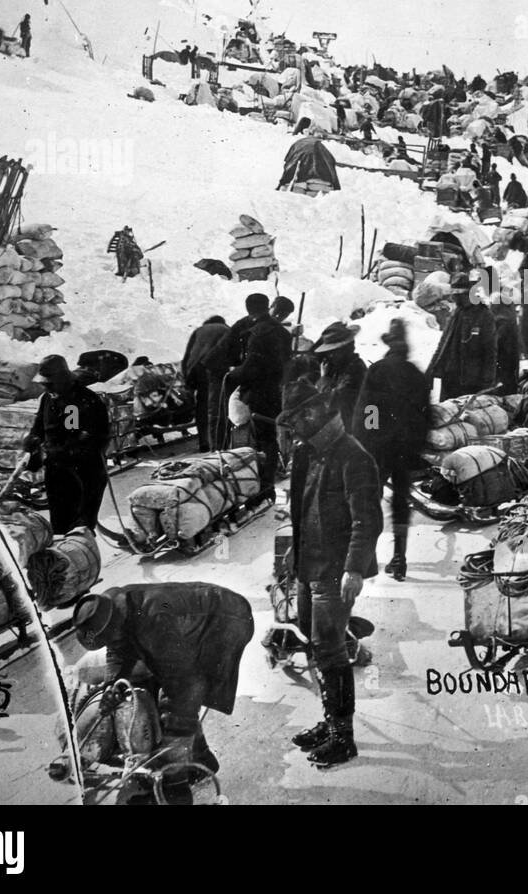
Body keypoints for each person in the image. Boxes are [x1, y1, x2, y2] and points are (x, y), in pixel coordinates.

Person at [281, 381, 382, 767]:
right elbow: (304, 508)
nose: (292, 430)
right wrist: (297, 547)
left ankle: (344, 736)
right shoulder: (310, 453)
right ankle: (329, 722)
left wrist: (354, 570)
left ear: (310, 415)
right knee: (317, 645)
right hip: (309, 565)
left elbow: (367, 520)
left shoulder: (353, 457)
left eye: (294, 421)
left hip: (334, 571)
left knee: (332, 651)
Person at [72, 583, 255, 776]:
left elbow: (185, 683)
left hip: (226, 621)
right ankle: (201, 760)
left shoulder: (154, 622)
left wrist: (175, 734)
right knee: (167, 684)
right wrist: (113, 685)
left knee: (180, 700)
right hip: (196, 618)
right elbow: (118, 648)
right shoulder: (111, 610)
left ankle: (176, 785)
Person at [351, 320, 429, 582]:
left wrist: (370, 437)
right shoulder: (416, 373)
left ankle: (367, 555)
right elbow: (425, 414)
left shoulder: (378, 370)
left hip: (379, 447)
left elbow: (368, 409)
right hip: (404, 449)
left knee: (370, 500)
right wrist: (415, 443)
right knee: (400, 502)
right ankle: (400, 558)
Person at [22, 355, 111, 534]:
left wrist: (56, 453)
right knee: (59, 526)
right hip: (57, 473)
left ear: (62, 379)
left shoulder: (82, 401)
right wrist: (32, 443)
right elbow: (39, 427)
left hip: (84, 475)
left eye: (50, 384)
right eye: (45, 384)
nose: (47, 388)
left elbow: (84, 440)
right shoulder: (47, 399)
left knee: (79, 530)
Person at [226, 298, 293, 497]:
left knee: (262, 439)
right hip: (276, 391)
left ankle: (262, 485)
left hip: (258, 393)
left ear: (249, 310)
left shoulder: (258, 333)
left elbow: (251, 367)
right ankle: (266, 482)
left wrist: (233, 373)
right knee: (271, 436)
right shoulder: (282, 332)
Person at [427, 274, 497, 400]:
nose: (453, 298)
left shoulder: (484, 315)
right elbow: (443, 344)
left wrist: (488, 380)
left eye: (457, 294)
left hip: (471, 380)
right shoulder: (456, 313)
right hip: (450, 376)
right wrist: (431, 370)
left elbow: (490, 351)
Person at [181, 315, 232, 452]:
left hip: (196, 370)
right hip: (214, 369)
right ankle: (219, 443)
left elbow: (186, 356)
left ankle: (203, 441)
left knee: (202, 406)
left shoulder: (198, 330)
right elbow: (231, 352)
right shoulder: (226, 329)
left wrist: (187, 379)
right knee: (218, 405)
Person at [311, 321, 367, 427]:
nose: (330, 355)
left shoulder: (354, 370)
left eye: (334, 351)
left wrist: (324, 379)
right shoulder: (340, 366)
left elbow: (332, 402)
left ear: (346, 349)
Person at [491, 293, 521, 394]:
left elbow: (497, 343)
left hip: (503, 361)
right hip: (510, 361)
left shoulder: (502, 322)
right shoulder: (510, 319)